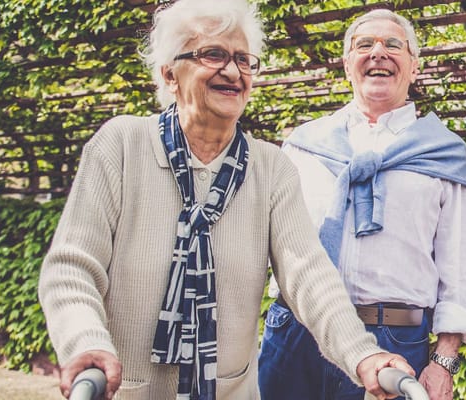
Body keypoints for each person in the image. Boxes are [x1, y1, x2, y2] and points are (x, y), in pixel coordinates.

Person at [37, 1, 410, 399]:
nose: (232, 71)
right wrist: (85, 340)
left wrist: (362, 354)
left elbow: (310, 275)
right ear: (169, 74)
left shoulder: (271, 167)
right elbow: (72, 267)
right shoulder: (122, 145)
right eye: (212, 54)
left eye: (243, 60)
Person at [256, 9, 466, 400]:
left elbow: (461, 270)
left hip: (394, 339)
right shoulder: (302, 146)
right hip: (295, 332)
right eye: (364, 45)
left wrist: (444, 361)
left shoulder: (445, 155)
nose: (378, 52)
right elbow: (265, 244)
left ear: (414, 67)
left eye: (393, 45)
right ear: (347, 65)